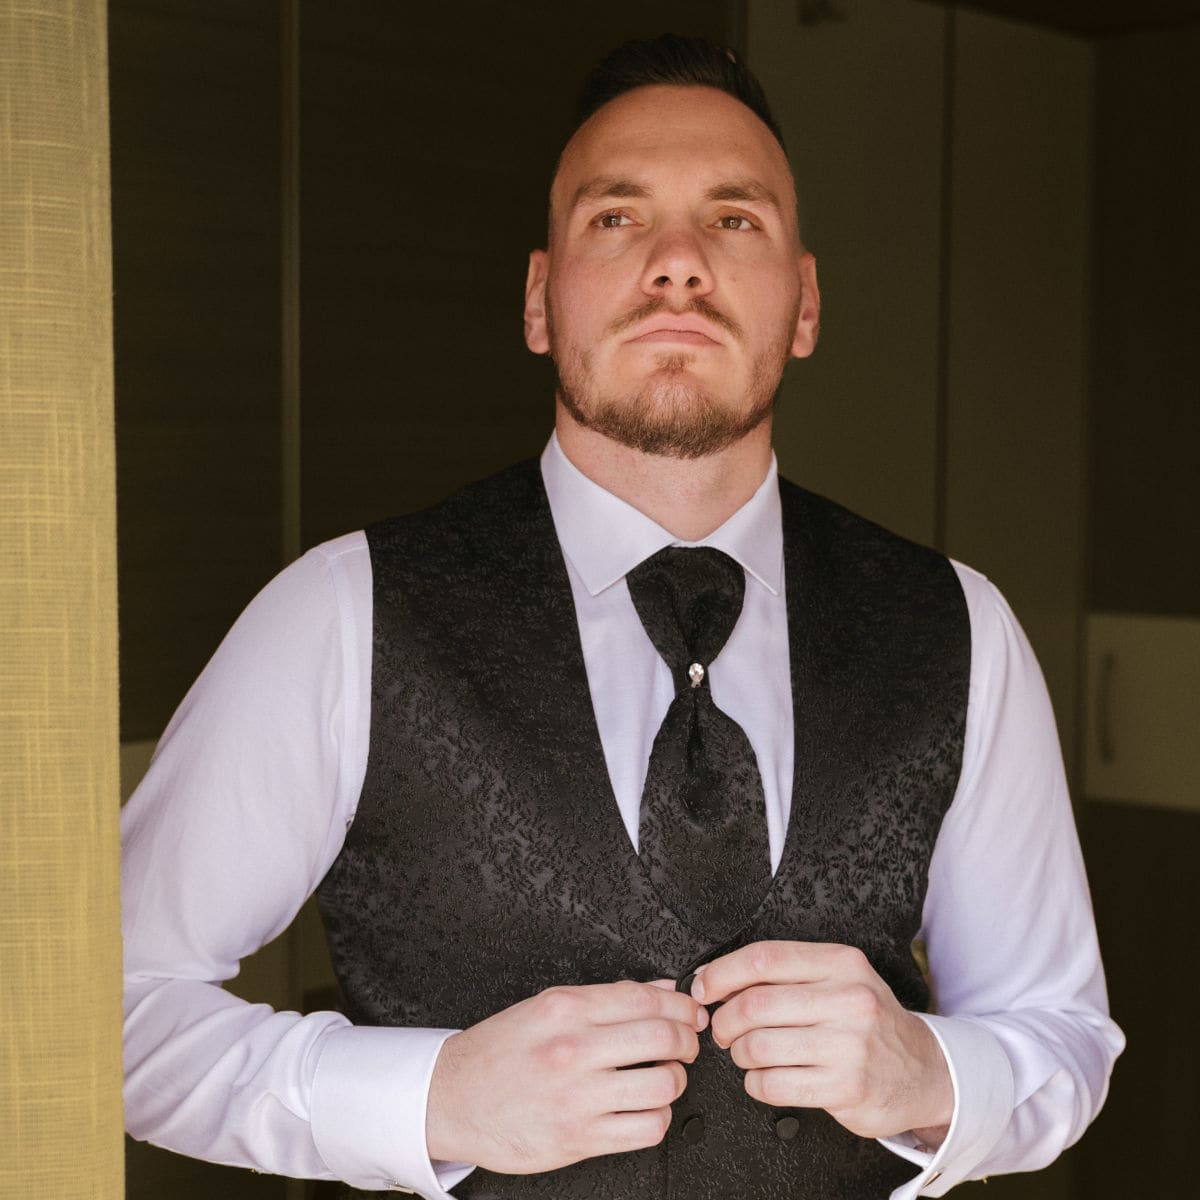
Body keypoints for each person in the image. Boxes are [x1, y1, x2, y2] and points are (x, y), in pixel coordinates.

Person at [121, 34, 1122, 1200]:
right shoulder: (340, 615)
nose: (679, 265)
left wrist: (929, 1073)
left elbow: (1063, 1037)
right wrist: (434, 1098)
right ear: (540, 300)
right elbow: (111, 1008)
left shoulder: (961, 628)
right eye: (617, 218)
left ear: (805, 302)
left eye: (734, 220)